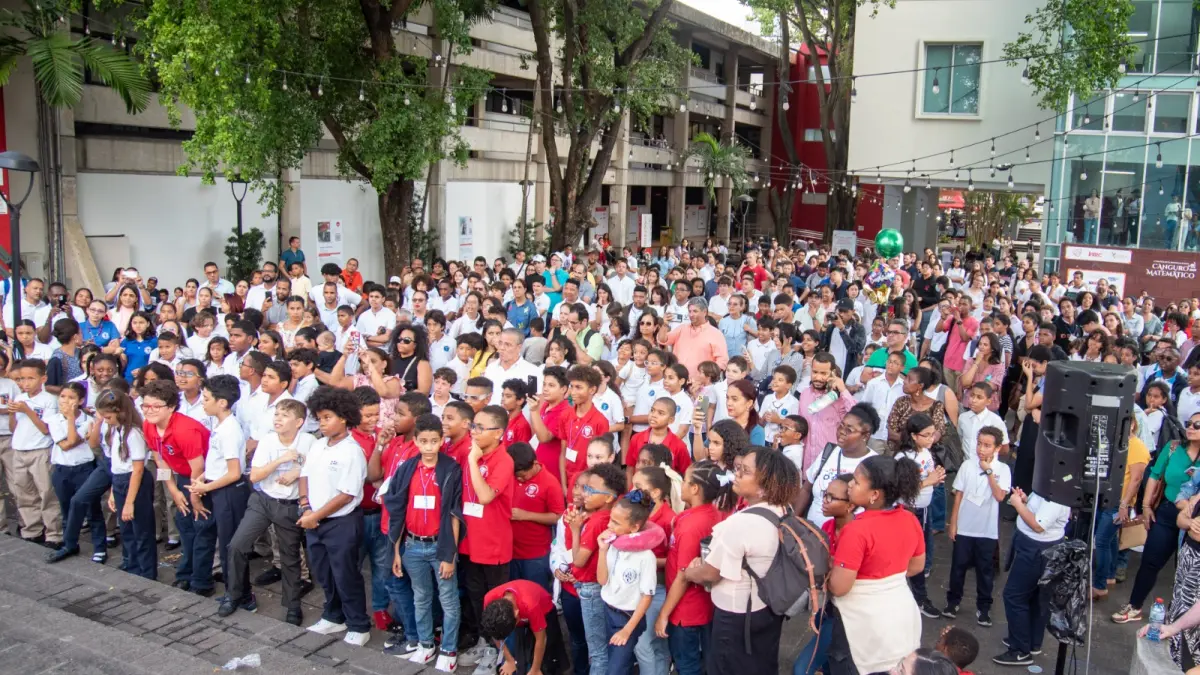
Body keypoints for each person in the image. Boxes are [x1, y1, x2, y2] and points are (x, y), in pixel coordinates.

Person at [684, 447, 799, 675]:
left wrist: (689, 573)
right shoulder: (783, 510)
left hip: (737, 617)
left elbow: (711, 573)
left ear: (764, 485)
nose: (736, 474)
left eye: (745, 471)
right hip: (768, 608)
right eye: (738, 468)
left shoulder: (740, 524)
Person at [826, 455, 926, 675]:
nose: (850, 484)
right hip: (901, 615)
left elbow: (840, 587)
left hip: (863, 624)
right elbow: (916, 566)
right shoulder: (909, 519)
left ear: (874, 495)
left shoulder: (856, 530)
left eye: (856, 482)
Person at [223, 398, 312, 625]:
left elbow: (315, 469)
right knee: (237, 545)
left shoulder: (309, 441)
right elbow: (255, 476)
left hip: (290, 505)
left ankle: (292, 606)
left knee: (290, 557)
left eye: (284, 416)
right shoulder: (268, 441)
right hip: (263, 500)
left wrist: (299, 471)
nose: (278, 419)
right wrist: (281, 460)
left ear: (299, 422)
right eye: (276, 415)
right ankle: (234, 594)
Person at [386, 413, 464, 671]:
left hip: (439, 546)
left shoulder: (450, 469)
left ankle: (449, 649)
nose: (429, 447)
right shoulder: (407, 468)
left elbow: (454, 514)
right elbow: (397, 511)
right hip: (412, 546)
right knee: (421, 597)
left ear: (442, 440)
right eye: (423, 441)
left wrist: (449, 555)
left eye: (434, 441)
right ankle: (426, 645)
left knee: (448, 599)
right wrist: (396, 551)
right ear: (416, 442)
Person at [299, 386, 371, 646]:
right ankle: (333, 615)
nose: (323, 423)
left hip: (340, 522)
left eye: (327, 417)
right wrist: (306, 506)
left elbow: (347, 494)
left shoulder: (352, 451)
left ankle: (358, 624)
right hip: (314, 520)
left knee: (346, 574)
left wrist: (315, 514)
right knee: (323, 573)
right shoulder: (318, 445)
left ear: (343, 417)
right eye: (319, 418)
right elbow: (304, 475)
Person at [1113, 410, 1200, 624]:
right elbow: (1154, 475)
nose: (1190, 427)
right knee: (1150, 561)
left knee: (1186, 573)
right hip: (1168, 512)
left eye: (1196, 425)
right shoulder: (1173, 448)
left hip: (1195, 521)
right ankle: (1134, 606)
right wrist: (1146, 506)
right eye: (1189, 423)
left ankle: (1178, 619)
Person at [654, 461, 731, 675]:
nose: (682, 486)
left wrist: (664, 614)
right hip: (706, 605)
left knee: (687, 664)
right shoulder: (714, 513)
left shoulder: (690, 527)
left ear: (695, 488)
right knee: (706, 658)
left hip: (685, 610)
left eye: (685, 481)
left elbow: (683, 576)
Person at [458, 405, 517, 669]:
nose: (475, 432)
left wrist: (472, 460)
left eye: (481, 428)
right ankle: (483, 644)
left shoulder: (502, 461)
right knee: (474, 595)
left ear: (499, 433)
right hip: (470, 541)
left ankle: (498, 653)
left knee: (495, 603)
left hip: (493, 543)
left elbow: (485, 496)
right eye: (474, 426)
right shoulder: (475, 453)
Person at [141, 378, 213, 593]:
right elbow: (160, 459)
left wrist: (194, 496)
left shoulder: (185, 430)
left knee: (202, 530)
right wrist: (173, 490)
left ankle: (202, 581)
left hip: (203, 480)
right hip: (182, 479)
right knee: (185, 527)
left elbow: (198, 468)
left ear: (171, 407)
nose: (149, 411)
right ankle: (185, 573)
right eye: (145, 405)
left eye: (156, 406)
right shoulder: (149, 425)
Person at [189, 375, 249, 607]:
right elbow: (217, 462)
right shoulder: (219, 425)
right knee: (222, 544)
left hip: (229, 491)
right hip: (217, 485)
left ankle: (240, 595)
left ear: (222, 402)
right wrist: (203, 478)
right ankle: (234, 591)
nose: (203, 402)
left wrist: (205, 486)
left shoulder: (230, 430)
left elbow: (234, 472)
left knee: (230, 546)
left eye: (206, 398)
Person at [994, 487, 1070, 666]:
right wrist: (1026, 501)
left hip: (1037, 551)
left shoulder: (1057, 495)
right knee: (1036, 597)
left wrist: (1018, 505)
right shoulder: (1047, 485)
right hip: (1033, 548)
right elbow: (1040, 512)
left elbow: (1038, 525)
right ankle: (1031, 641)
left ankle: (1020, 649)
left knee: (1013, 596)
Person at [944, 427, 1011, 626]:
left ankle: (984, 608)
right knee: (958, 568)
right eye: (979, 443)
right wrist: (953, 523)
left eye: (987, 445)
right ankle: (952, 602)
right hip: (965, 526)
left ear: (997, 448)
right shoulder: (967, 466)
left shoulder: (1003, 470)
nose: (981, 449)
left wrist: (989, 472)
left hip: (986, 530)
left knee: (985, 571)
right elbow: (959, 495)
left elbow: (1000, 496)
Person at [793, 472, 855, 675]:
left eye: (832, 497)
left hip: (843, 614)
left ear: (850, 505)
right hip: (824, 607)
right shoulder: (828, 527)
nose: (824, 501)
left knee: (802, 669)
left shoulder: (856, 535)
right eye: (825, 494)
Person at [96, 388, 156, 578]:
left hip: (134, 481)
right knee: (127, 529)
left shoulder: (134, 433)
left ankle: (147, 570)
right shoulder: (118, 430)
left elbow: (137, 469)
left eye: (108, 417)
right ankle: (131, 563)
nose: (107, 421)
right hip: (121, 480)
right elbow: (117, 465)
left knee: (141, 530)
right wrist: (114, 491)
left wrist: (129, 502)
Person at [895, 413, 946, 618]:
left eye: (933, 434)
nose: (931, 439)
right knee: (907, 555)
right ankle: (913, 596)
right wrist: (929, 481)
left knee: (920, 554)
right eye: (926, 435)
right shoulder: (904, 458)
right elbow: (902, 490)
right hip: (908, 513)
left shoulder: (926, 452)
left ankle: (919, 596)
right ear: (914, 436)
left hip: (924, 510)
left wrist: (937, 477)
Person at [9, 358, 62, 547]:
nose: (25, 383)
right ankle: (32, 529)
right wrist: (14, 412)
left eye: (30, 378)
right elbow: (14, 426)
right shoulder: (20, 398)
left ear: (43, 378)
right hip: (20, 449)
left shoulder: (49, 400)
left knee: (46, 492)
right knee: (24, 492)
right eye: (22, 379)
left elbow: (46, 429)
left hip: (40, 450)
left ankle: (54, 533)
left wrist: (27, 410)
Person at [509, 442, 566, 592]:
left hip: (535, 555)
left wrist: (525, 515)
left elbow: (558, 516)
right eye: (516, 476)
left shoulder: (550, 483)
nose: (520, 479)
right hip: (511, 552)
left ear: (534, 463)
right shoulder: (511, 477)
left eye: (522, 476)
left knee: (537, 595)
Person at [481, 579, 565, 675]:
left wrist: (535, 670)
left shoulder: (531, 605)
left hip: (544, 612)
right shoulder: (489, 600)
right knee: (514, 662)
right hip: (516, 617)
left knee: (544, 663)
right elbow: (495, 633)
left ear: (517, 615)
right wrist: (509, 660)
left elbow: (541, 639)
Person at [794, 353, 856, 468]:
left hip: (830, 465)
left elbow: (857, 418)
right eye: (815, 372)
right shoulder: (804, 394)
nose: (818, 377)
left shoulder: (840, 398)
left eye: (823, 373)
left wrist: (843, 390)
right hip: (807, 464)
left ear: (832, 373)